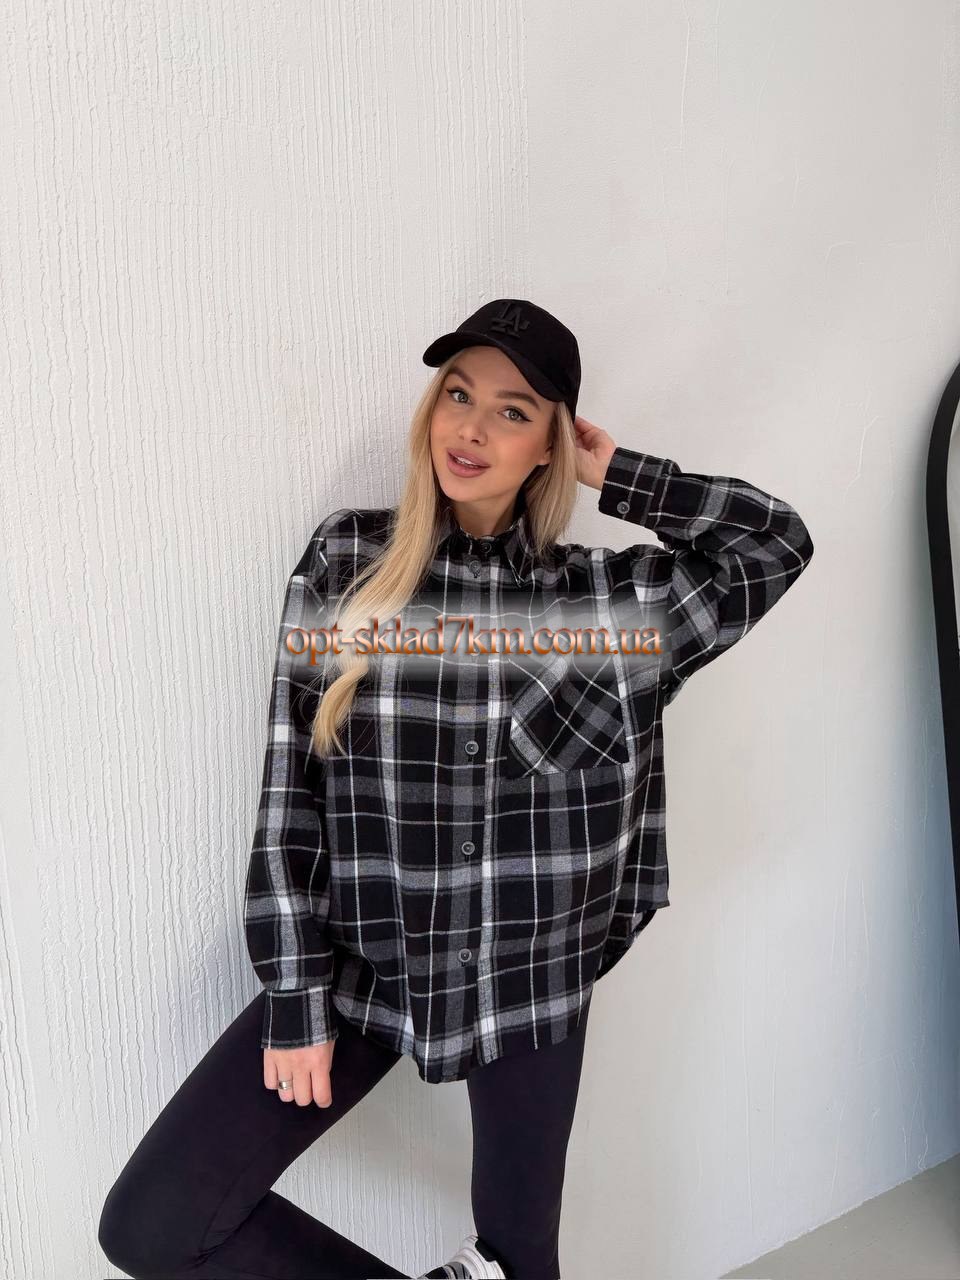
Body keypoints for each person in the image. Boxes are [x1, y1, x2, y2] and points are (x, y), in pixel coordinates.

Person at [97, 299, 814, 1280]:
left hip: (530, 975)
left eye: (513, 411)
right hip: (367, 964)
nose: (471, 429)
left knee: (522, 1259)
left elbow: (774, 544)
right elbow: (288, 791)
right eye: (458, 395)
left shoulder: (612, 603)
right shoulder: (347, 563)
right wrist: (296, 992)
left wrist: (615, 471)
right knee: (154, 1220)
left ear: (551, 442)